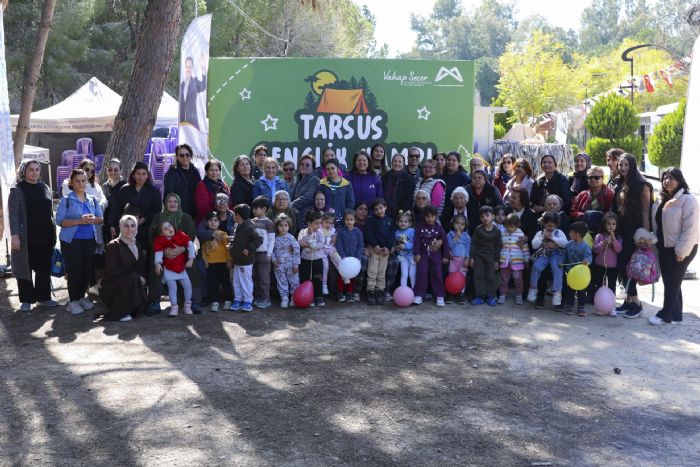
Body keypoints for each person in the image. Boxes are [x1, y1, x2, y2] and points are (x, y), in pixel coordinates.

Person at [650, 168, 699, 325]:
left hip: (682, 248)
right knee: (671, 281)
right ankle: (677, 314)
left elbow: (690, 228)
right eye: (665, 178)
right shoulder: (661, 198)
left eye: (671, 178)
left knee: (672, 282)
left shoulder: (688, 199)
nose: (667, 181)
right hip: (664, 246)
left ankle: (665, 314)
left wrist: (682, 251)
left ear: (680, 180)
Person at [9, 159, 57, 312]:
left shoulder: (45, 187)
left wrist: (53, 233)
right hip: (25, 238)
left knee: (43, 269)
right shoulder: (17, 190)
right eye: (31, 169)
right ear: (24, 171)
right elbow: (13, 216)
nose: (34, 172)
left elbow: (50, 212)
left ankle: (43, 297)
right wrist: (15, 236)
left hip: (45, 237)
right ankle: (26, 299)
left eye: (37, 169)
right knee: (25, 269)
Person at [56, 168, 104, 315]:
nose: (81, 183)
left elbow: (100, 219)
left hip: (89, 240)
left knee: (86, 270)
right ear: (71, 182)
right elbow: (60, 221)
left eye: (83, 180)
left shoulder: (92, 199)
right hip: (71, 241)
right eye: (77, 181)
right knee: (75, 270)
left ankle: (81, 298)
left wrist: (93, 219)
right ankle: (73, 301)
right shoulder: (66, 200)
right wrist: (79, 221)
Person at [613, 154, 653, 317]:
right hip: (620, 229)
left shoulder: (642, 185)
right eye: (620, 165)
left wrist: (644, 236)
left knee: (627, 266)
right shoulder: (620, 182)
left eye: (626, 165)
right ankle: (628, 302)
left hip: (635, 231)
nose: (623, 168)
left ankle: (636, 303)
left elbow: (645, 212)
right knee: (622, 266)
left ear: (633, 166)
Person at [150, 193, 201, 313]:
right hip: (163, 251)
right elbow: (151, 236)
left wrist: (181, 249)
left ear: (179, 203)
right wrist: (164, 251)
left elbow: (190, 236)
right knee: (154, 264)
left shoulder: (186, 218)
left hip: (183, 251)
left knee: (191, 266)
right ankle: (155, 301)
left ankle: (193, 301)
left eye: (175, 201)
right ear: (165, 203)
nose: (172, 204)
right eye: (169, 201)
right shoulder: (158, 217)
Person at [99, 215, 149, 321]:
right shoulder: (113, 245)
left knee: (136, 277)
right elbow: (111, 271)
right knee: (133, 277)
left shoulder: (136, 243)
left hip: (131, 281)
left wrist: (141, 276)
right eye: (126, 226)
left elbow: (141, 265)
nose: (130, 229)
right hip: (112, 285)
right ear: (121, 227)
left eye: (133, 226)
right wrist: (135, 277)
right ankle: (120, 312)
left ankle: (132, 308)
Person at [153, 221, 195, 317]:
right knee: (172, 288)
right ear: (161, 233)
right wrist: (158, 263)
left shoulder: (181, 235)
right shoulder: (160, 240)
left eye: (170, 226)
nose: (169, 229)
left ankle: (187, 306)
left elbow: (190, 245)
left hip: (181, 267)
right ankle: (174, 307)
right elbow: (158, 252)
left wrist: (191, 259)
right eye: (165, 229)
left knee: (188, 285)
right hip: (169, 268)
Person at [527, 212, 568, 307]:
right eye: (549, 225)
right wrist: (542, 237)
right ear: (544, 224)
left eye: (554, 225)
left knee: (556, 267)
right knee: (536, 266)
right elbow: (534, 245)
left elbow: (565, 244)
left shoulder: (559, 232)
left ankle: (557, 292)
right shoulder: (540, 233)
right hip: (544, 254)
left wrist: (553, 238)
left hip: (556, 254)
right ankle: (533, 288)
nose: (551, 228)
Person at [413, 205, 449, 306]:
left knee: (437, 274)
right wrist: (417, 253)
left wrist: (445, 256)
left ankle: (439, 296)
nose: (430, 219)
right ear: (424, 216)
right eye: (427, 216)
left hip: (436, 255)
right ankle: (419, 295)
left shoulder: (439, 228)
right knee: (421, 273)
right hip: (423, 255)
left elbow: (445, 241)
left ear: (436, 216)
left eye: (432, 216)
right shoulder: (420, 227)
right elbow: (416, 241)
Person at [229, 204, 263, 312]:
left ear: (238, 215)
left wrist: (249, 249)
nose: (233, 216)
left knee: (246, 281)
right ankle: (238, 299)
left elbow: (259, 240)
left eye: (235, 214)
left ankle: (248, 301)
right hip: (237, 260)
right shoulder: (238, 225)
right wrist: (232, 246)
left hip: (245, 260)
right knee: (236, 281)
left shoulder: (249, 227)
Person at [199, 212, 233, 312]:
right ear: (206, 223)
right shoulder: (206, 236)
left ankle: (228, 300)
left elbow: (228, 249)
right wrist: (205, 260)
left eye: (215, 220)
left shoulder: (223, 234)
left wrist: (229, 260)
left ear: (219, 222)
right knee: (213, 283)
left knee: (225, 282)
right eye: (210, 221)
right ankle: (215, 301)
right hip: (211, 263)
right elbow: (204, 250)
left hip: (223, 262)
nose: (213, 222)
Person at [365, 198, 395, 305]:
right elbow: (369, 234)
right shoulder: (371, 221)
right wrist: (375, 245)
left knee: (382, 272)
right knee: (372, 271)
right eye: (376, 209)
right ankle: (371, 291)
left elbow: (392, 236)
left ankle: (380, 291)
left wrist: (388, 247)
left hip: (384, 251)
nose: (379, 211)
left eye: (381, 208)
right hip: (374, 249)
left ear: (385, 207)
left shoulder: (390, 221)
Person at [469, 206, 502, 306]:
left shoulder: (497, 231)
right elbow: (473, 244)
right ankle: (479, 296)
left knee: (491, 276)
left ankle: (491, 296)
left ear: (493, 217)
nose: (485, 218)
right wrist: (472, 258)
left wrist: (496, 260)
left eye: (487, 215)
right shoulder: (478, 229)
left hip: (491, 256)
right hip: (479, 256)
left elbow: (498, 246)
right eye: (482, 216)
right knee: (478, 275)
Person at [592, 212, 622, 314]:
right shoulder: (599, 236)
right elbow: (595, 249)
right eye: (608, 224)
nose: (611, 226)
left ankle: (611, 307)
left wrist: (613, 240)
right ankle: (599, 306)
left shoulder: (618, 237)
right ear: (604, 224)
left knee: (612, 286)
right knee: (599, 285)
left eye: (613, 224)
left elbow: (618, 249)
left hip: (612, 267)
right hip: (600, 265)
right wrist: (603, 243)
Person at [560, 222, 592, 316]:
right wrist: (561, 262)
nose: (569, 233)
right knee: (569, 290)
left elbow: (588, 257)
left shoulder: (585, 247)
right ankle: (569, 306)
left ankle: (581, 308)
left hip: (581, 275)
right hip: (570, 273)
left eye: (570, 232)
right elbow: (564, 255)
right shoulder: (569, 244)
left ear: (576, 234)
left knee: (581, 290)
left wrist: (587, 261)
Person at [250, 196, 275, 309]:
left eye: (256, 208)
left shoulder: (269, 223)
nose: (254, 210)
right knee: (254, 276)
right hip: (253, 253)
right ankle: (257, 297)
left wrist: (269, 254)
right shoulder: (251, 222)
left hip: (264, 254)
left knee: (264, 277)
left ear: (264, 209)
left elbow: (271, 239)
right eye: (253, 208)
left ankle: (266, 298)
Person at [498, 214, 529, 305]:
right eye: (508, 226)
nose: (510, 228)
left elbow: (525, 247)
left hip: (517, 261)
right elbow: (499, 246)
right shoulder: (502, 233)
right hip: (505, 261)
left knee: (518, 279)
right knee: (504, 279)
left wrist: (526, 259)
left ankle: (519, 295)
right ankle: (502, 294)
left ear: (517, 225)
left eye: (512, 226)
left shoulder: (520, 234)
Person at [163, 144, 201, 219]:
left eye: (187, 155)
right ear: (177, 157)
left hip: (194, 214)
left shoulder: (195, 171)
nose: (185, 158)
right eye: (181, 155)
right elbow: (168, 196)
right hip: (178, 216)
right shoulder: (172, 173)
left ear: (191, 156)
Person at [272, 214, 300, 308]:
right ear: (277, 227)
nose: (283, 228)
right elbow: (271, 251)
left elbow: (296, 250)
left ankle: (294, 298)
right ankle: (284, 298)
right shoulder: (275, 239)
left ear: (289, 226)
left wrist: (296, 264)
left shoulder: (291, 238)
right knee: (281, 282)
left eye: (285, 225)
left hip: (291, 264)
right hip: (279, 265)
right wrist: (273, 260)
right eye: (281, 225)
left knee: (294, 282)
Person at [298, 210, 326, 307]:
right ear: (309, 223)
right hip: (305, 259)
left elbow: (321, 244)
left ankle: (319, 296)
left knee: (317, 278)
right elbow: (301, 241)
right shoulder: (303, 232)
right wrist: (308, 234)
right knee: (305, 278)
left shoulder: (320, 232)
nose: (319, 225)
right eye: (316, 223)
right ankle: (307, 297)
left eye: (320, 223)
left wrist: (311, 246)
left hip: (317, 259)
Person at [336, 209, 364, 303]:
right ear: (344, 220)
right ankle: (340, 292)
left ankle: (349, 292)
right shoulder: (341, 232)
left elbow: (360, 246)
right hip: (343, 259)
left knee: (352, 276)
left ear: (355, 220)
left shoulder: (358, 232)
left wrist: (358, 257)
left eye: (351, 219)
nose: (349, 221)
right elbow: (338, 245)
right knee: (341, 275)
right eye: (347, 219)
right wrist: (343, 256)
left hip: (353, 259)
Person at [464, 169, 503, 234]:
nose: (477, 180)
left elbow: (500, 205)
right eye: (474, 178)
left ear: (485, 180)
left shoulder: (492, 189)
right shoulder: (466, 189)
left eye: (479, 178)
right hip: (471, 225)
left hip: (489, 224)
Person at [319, 159, 355, 227]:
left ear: (338, 169)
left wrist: (345, 217)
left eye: (333, 168)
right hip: (325, 221)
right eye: (328, 169)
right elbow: (318, 201)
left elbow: (350, 203)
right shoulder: (321, 184)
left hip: (341, 221)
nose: (330, 171)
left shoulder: (347, 184)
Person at [193, 160, 230, 224]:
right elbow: (203, 208)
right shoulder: (202, 185)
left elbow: (230, 203)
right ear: (206, 171)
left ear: (220, 171)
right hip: (209, 222)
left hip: (225, 220)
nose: (214, 173)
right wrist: (217, 219)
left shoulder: (223, 185)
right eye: (211, 170)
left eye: (216, 170)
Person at [290, 154, 321, 229]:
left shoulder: (315, 180)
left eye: (307, 165)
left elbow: (308, 197)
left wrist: (290, 205)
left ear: (313, 168)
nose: (304, 166)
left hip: (306, 218)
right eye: (302, 164)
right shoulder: (296, 179)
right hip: (293, 217)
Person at [382, 153, 417, 219]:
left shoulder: (409, 179)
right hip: (385, 212)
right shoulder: (385, 177)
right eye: (395, 161)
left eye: (400, 162)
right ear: (391, 163)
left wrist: (402, 213)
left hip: (401, 214)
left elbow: (409, 199)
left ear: (403, 165)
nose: (397, 163)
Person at [446, 214, 470, 305]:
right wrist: (456, 237)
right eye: (457, 223)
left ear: (465, 226)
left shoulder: (466, 236)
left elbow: (468, 248)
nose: (459, 226)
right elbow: (449, 246)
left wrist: (467, 259)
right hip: (453, 260)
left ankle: (460, 293)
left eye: (462, 224)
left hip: (462, 260)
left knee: (462, 276)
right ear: (453, 224)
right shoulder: (450, 234)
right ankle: (451, 293)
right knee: (451, 275)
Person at [179, 55, 207, 129]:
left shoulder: (195, 81)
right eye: (187, 67)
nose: (188, 69)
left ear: (192, 68)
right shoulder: (181, 85)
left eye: (190, 67)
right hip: (182, 123)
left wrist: (203, 68)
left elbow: (203, 86)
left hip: (192, 123)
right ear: (184, 67)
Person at [101, 158, 126, 242]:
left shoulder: (125, 187)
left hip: (120, 225)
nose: (113, 172)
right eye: (110, 170)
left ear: (121, 171)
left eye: (116, 170)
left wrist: (115, 224)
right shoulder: (104, 186)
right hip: (106, 225)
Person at [441, 151, 471, 217]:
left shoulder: (464, 177)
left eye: (454, 160)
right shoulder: (441, 177)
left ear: (459, 163)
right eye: (449, 160)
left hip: (457, 213)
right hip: (442, 211)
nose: (451, 162)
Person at [319, 212, 342, 295]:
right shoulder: (319, 229)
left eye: (331, 223)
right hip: (322, 250)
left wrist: (335, 234)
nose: (328, 225)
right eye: (326, 222)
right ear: (322, 221)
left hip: (331, 249)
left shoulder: (333, 230)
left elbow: (337, 231)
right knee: (325, 266)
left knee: (339, 260)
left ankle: (344, 275)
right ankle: (324, 284)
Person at [394, 210, 416, 289]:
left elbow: (415, 243)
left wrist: (406, 246)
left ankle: (414, 290)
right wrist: (396, 248)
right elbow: (396, 243)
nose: (403, 223)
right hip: (403, 257)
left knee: (412, 274)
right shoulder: (397, 232)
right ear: (397, 222)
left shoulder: (412, 231)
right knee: (404, 274)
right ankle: (403, 290)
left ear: (410, 223)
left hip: (412, 256)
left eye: (405, 222)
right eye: (401, 221)